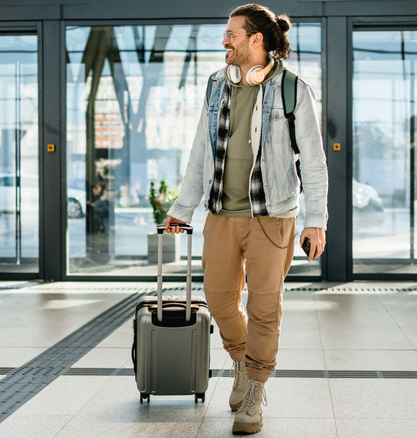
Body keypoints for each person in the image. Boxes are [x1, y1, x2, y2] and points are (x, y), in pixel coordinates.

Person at [164, 3, 328, 434]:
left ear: (256, 40)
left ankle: (255, 388)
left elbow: (313, 161)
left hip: (271, 217)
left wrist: (316, 220)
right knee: (218, 299)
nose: (225, 40)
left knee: (263, 307)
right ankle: (241, 361)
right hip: (221, 213)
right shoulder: (217, 84)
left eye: (232, 34)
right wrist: (182, 209)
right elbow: (201, 150)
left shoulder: (292, 89)